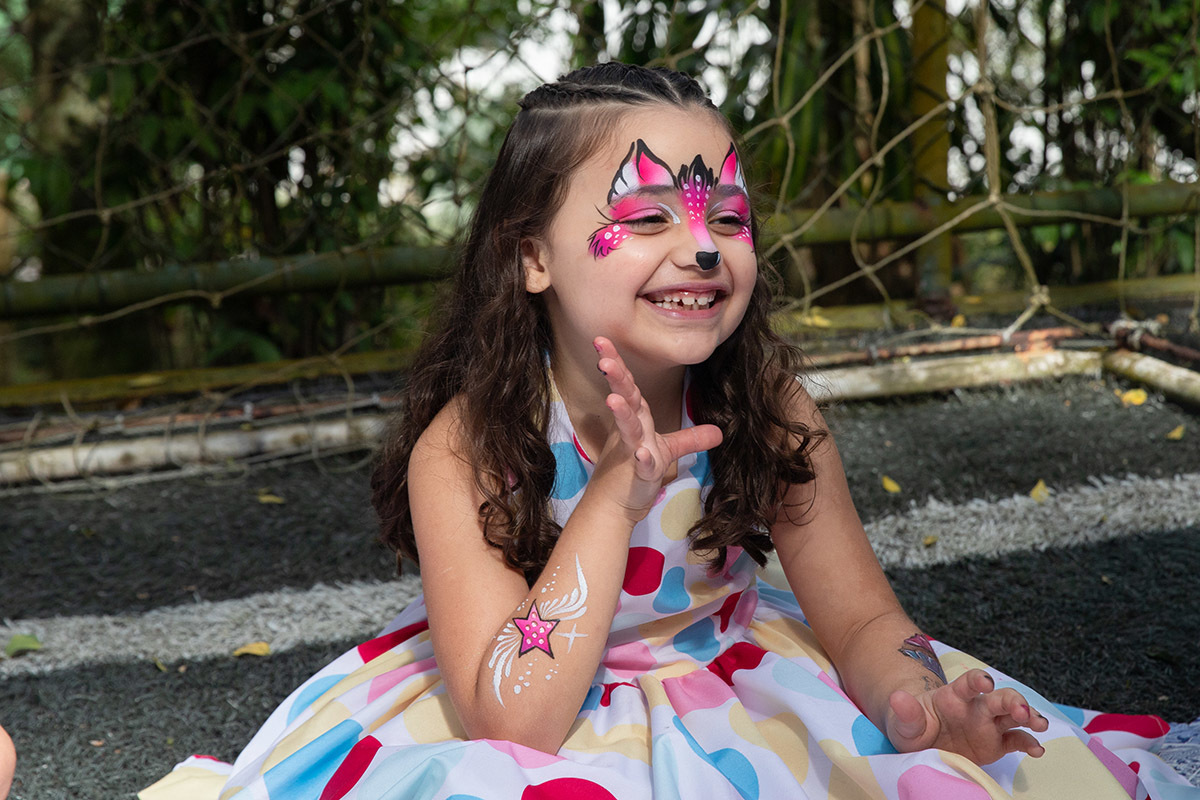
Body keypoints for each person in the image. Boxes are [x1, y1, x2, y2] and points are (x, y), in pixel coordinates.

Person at [140, 62, 1197, 800]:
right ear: (531, 255)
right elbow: (517, 721)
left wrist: (920, 707)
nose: (701, 248)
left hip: (742, 684)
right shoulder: (464, 450)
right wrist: (612, 495)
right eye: (648, 217)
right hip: (525, 704)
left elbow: (867, 622)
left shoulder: (764, 406)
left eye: (726, 218)